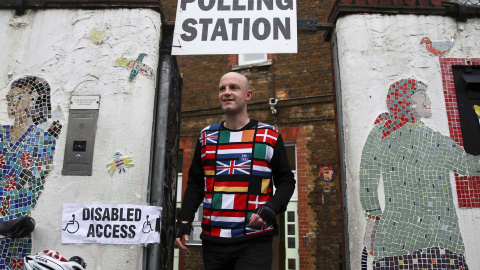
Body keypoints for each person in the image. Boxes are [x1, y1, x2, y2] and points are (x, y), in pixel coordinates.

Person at [175, 72, 296, 269]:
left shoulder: (269, 135)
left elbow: (286, 180)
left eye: (233, 88)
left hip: (255, 240)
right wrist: (185, 219)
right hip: (213, 241)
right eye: (222, 89)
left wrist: (272, 207)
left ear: (248, 95)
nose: (226, 93)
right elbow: (196, 185)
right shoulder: (206, 137)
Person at [359, 78, 479, 269]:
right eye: (422, 94)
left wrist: (373, 221)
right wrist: (372, 218)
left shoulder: (434, 140)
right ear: (406, 99)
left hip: (435, 241)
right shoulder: (383, 133)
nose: (429, 102)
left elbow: (470, 165)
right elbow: (368, 179)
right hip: (409, 241)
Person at [0, 76, 62, 269]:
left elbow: (34, 179)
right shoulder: (1, 133)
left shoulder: (43, 137)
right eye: (9, 97)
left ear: (33, 99)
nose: (10, 101)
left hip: (18, 220)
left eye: (17, 97)